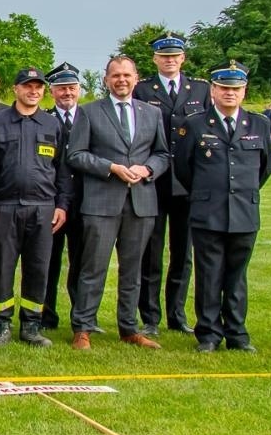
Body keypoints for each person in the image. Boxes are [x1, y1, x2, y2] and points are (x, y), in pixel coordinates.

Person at [66, 56, 171, 351]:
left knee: (133, 270)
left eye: (126, 75)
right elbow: (75, 155)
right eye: (115, 75)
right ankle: (83, 328)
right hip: (101, 202)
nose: (121, 80)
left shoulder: (151, 113)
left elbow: (163, 154)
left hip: (140, 202)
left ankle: (129, 328)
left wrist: (147, 169)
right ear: (106, 79)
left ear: (136, 78)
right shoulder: (89, 112)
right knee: (92, 268)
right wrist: (110, 167)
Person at [174, 62, 271, 352]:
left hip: (244, 211)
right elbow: (184, 168)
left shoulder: (259, 124)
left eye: (236, 89)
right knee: (208, 274)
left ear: (244, 91)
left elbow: (265, 167)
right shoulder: (195, 124)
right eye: (224, 88)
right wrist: (207, 193)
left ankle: (237, 334)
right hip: (208, 211)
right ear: (213, 90)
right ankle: (208, 334)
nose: (230, 93)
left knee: (236, 276)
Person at [0, 66, 71, 347]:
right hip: (4, 207)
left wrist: (62, 204)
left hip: (42, 208)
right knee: (3, 268)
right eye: (27, 86)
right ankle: (1, 324)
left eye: (38, 86)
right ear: (15, 89)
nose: (33, 91)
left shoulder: (53, 125)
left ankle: (31, 324)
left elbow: (63, 169)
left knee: (38, 267)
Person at [133, 34, 211, 336]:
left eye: (174, 55)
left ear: (183, 58)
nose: (169, 60)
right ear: (154, 59)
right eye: (163, 56)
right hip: (154, 181)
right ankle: (150, 317)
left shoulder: (201, 90)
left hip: (188, 183)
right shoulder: (142, 90)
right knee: (150, 253)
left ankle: (177, 314)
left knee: (183, 254)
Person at [41, 63, 86, 331]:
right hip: (52, 203)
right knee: (48, 262)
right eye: (61, 88)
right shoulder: (45, 119)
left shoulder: (91, 118)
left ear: (79, 89)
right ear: (52, 91)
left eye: (71, 87)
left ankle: (81, 318)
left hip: (84, 202)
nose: (67, 92)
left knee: (81, 264)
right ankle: (46, 315)